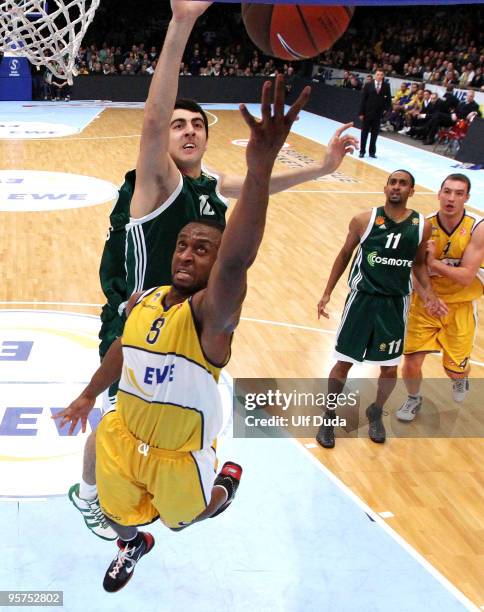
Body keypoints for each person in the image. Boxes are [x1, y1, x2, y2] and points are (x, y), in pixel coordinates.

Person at [61, 0, 359, 542]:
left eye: (197, 124)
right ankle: (95, 501)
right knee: (118, 429)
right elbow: (152, 120)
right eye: (179, 125)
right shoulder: (155, 184)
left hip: (193, 330)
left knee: (174, 444)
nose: (187, 130)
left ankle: (195, 489)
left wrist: (321, 169)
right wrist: (181, 22)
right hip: (135, 323)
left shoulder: (209, 188)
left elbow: (259, 189)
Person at [55, 74, 319, 593]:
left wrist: (270, 166)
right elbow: (124, 346)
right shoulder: (150, 270)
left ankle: (224, 486)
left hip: (183, 413)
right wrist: (87, 393)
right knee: (117, 514)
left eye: (202, 248)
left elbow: (237, 256)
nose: (187, 254)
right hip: (134, 385)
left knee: (187, 517)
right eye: (183, 246)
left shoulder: (213, 307)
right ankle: (131, 541)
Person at [316, 170, 444, 448]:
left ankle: (375, 411)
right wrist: (327, 293)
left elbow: (419, 263)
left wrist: (430, 294)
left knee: (388, 368)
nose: (396, 187)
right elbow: (344, 255)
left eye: (403, 184)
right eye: (393, 182)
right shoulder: (364, 220)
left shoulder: (422, 226)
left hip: (395, 304)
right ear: (385, 188)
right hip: (362, 300)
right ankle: (328, 415)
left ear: (412, 191)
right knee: (343, 362)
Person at [397, 174, 484, 421]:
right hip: (425, 303)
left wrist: (433, 261)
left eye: (458, 193)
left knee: (454, 370)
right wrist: (428, 297)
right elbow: (414, 269)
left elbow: (466, 276)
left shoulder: (478, 227)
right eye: (447, 192)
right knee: (411, 362)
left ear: (467, 198)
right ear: (439, 193)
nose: (451, 198)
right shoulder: (423, 226)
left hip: (460, 306)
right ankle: (413, 399)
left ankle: (461, 378)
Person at [358, 68, 391, 158]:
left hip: (378, 114)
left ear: (383, 76)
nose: (379, 76)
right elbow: (363, 100)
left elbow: (388, 100)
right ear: (375, 75)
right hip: (367, 113)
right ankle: (362, 151)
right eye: (378, 74)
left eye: (381, 74)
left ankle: (372, 152)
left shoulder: (386, 86)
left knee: (374, 134)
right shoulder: (368, 85)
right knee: (364, 133)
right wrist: (361, 113)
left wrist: (385, 109)